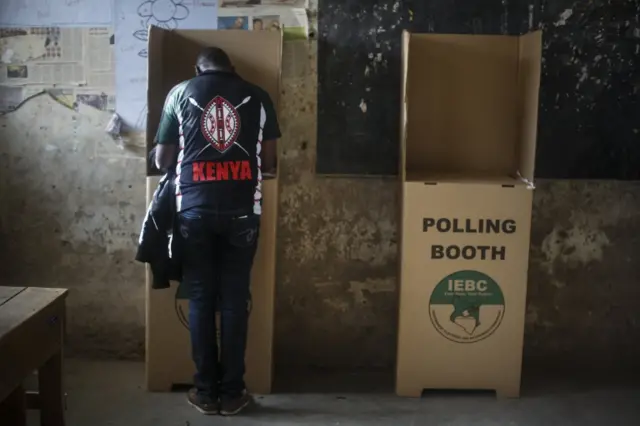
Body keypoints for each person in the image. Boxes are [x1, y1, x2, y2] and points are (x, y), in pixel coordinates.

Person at [153, 46, 280, 416]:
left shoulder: (180, 92)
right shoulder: (258, 96)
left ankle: (205, 392)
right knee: (235, 300)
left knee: (202, 300)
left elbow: (163, 159)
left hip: (193, 212)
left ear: (197, 69)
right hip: (243, 213)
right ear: (233, 68)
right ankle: (234, 392)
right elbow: (269, 163)